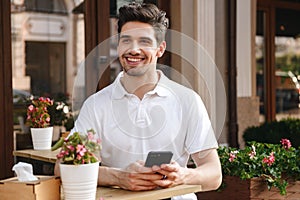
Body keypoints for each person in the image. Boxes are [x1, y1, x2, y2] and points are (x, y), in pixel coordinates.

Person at [55, 2, 222, 199]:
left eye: (144, 41)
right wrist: (120, 177)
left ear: (160, 49)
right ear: (118, 46)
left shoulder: (188, 101)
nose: (133, 49)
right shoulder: (96, 105)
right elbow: (62, 167)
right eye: (126, 40)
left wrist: (183, 175)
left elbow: (214, 174)